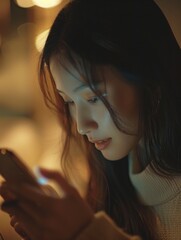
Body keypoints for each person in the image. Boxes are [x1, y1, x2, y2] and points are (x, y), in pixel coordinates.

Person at [0, 0, 181, 239]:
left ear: (151, 81)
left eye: (94, 98)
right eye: (70, 102)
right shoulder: (108, 187)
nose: (82, 126)